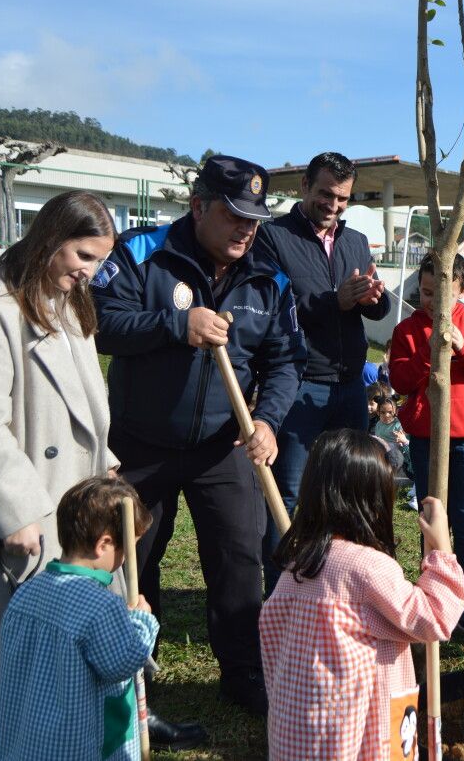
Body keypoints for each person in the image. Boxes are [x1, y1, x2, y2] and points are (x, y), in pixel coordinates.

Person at [93, 155, 305, 718]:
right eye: (235, 216)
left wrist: (268, 421)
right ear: (198, 206)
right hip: (140, 446)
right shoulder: (143, 254)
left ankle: (242, 674)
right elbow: (99, 322)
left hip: (223, 447)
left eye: (255, 219)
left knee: (239, 559)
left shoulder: (269, 276)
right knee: (133, 559)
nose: (247, 230)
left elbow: (286, 362)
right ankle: (133, 677)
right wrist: (173, 325)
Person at [0, 191, 132, 745]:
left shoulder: (66, 307)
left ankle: (75, 721)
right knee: (9, 640)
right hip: (6, 511)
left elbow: (87, 405)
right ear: (49, 240)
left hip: (67, 504)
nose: (91, 272)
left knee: (65, 634)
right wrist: (16, 509)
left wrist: (105, 463)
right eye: (83, 256)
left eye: (99, 260)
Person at [259, 430, 464, 761]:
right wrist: (441, 550)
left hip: (298, 730)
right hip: (365, 736)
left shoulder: (296, 566)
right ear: (372, 500)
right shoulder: (367, 569)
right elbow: (434, 619)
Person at [254, 152, 390, 593]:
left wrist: (374, 297)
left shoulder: (356, 240)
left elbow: (374, 309)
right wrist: (338, 301)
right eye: (326, 194)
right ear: (304, 188)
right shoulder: (271, 238)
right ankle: (282, 594)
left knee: (348, 492)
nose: (334, 205)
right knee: (289, 496)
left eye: (344, 199)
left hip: (349, 386)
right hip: (297, 385)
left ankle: (336, 587)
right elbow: (268, 312)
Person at [0, 477, 158, 761]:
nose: (124, 561)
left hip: (26, 741)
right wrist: (141, 624)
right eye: (126, 550)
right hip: (78, 745)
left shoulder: (26, 592)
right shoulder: (101, 605)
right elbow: (120, 663)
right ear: (104, 544)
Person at [389, 254, 464, 644]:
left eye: (440, 293)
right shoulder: (407, 329)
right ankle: (435, 596)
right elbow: (401, 380)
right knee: (432, 518)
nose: (431, 301)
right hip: (426, 437)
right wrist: (429, 352)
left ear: (461, 289)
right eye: (424, 292)